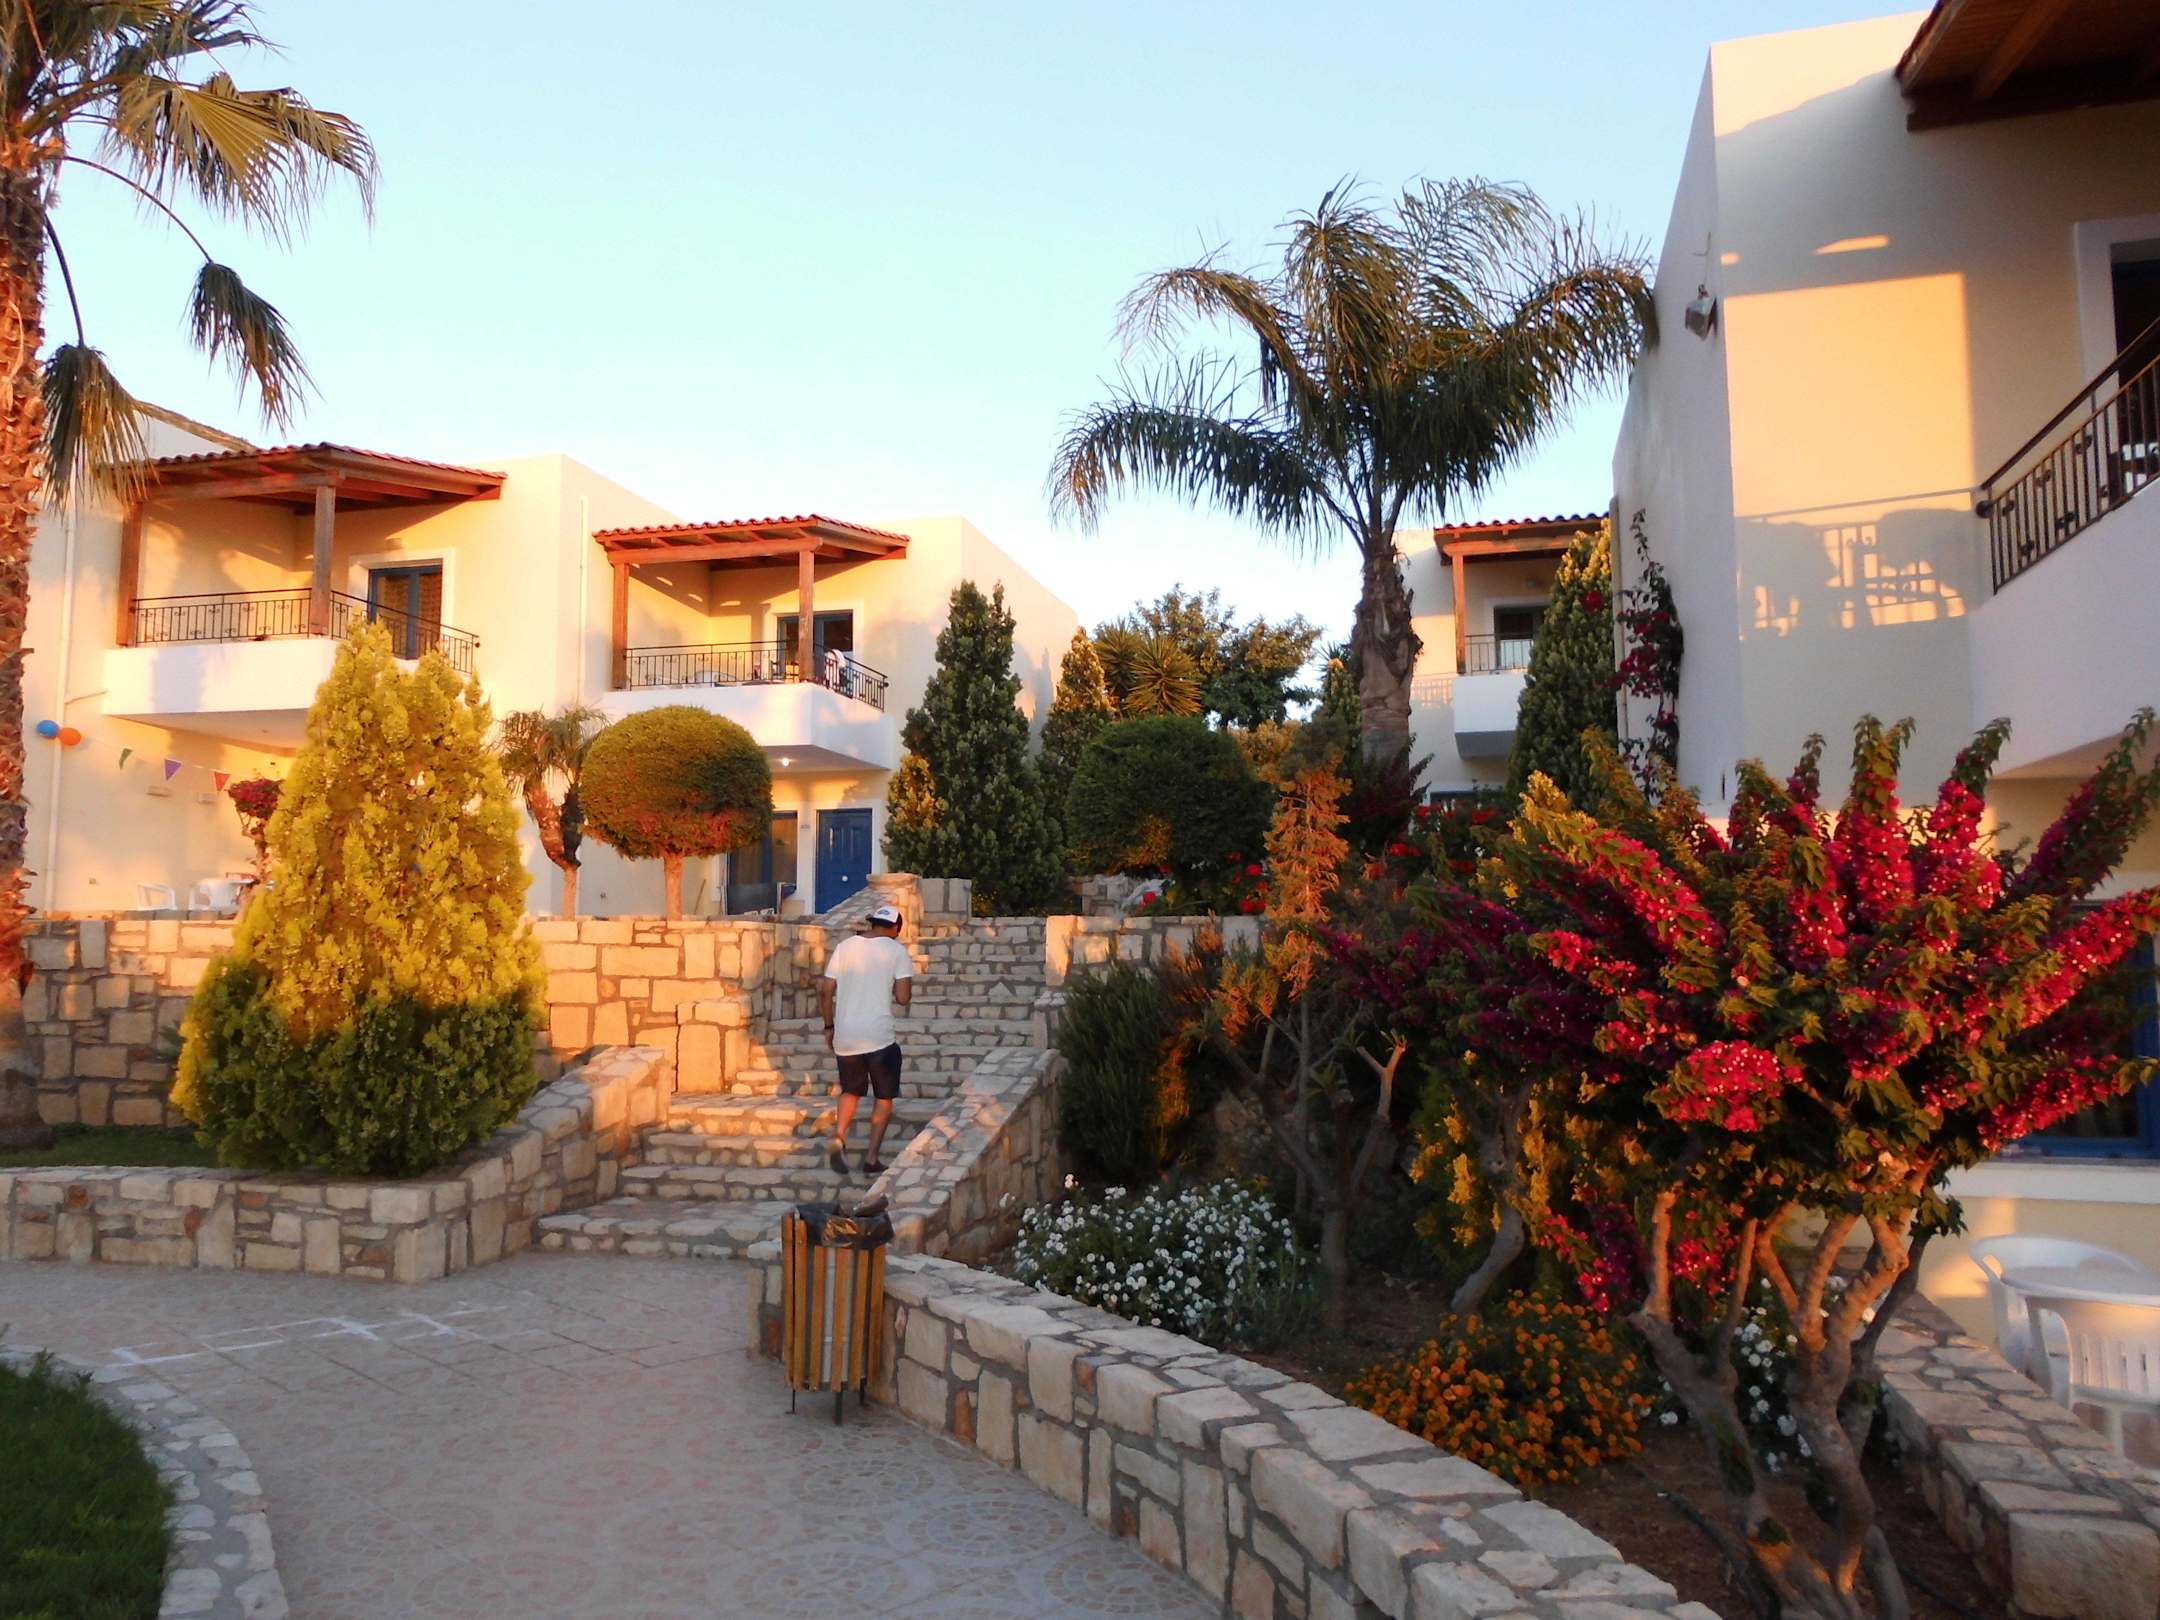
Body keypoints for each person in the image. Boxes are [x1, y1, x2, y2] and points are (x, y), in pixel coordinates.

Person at [819, 901, 913, 1176]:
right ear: (896, 928)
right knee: (883, 1097)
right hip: (879, 1037)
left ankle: (839, 1136)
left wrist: (829, 1026)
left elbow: (826, 990)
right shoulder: (896, 951)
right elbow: (903, 998)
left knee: (850, 1091)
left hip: (846, 1036)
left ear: (872, 923)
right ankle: (871, 1159)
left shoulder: (845, 947)